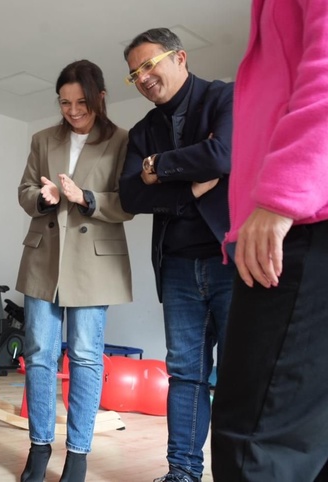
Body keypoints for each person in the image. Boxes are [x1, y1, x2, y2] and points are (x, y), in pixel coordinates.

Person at [211, 1, 328, 480]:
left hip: (302, 228)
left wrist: (282, 196)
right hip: (300, 221)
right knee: (307, 445)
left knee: (257, 447)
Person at [118, 28, 235, 482]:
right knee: (186, 375)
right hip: (178, 267)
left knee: (237, 373)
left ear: (180, 57)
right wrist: (187, 183)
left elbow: (222, 155)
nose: (144, 78)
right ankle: (182, 473)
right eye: (135, 74)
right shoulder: (144, 129)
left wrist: (158, 168)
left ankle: (235, 470)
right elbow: (129, 195)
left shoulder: (223, 97)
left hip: (230, 259)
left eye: (149, 65)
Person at [16, 59, 133, 482]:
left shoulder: (122, 140)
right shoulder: (43, 138)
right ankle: (39, 447)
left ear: (100, 97)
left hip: (94, 262)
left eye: (81, 102)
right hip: (45, 256)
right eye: (65, 103)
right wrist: (45, 198)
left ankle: (78, 454)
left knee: (85, 357)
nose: (73, 110)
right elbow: (25, 191)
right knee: (39, 356)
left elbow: (127, 202)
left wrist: (85, 197)